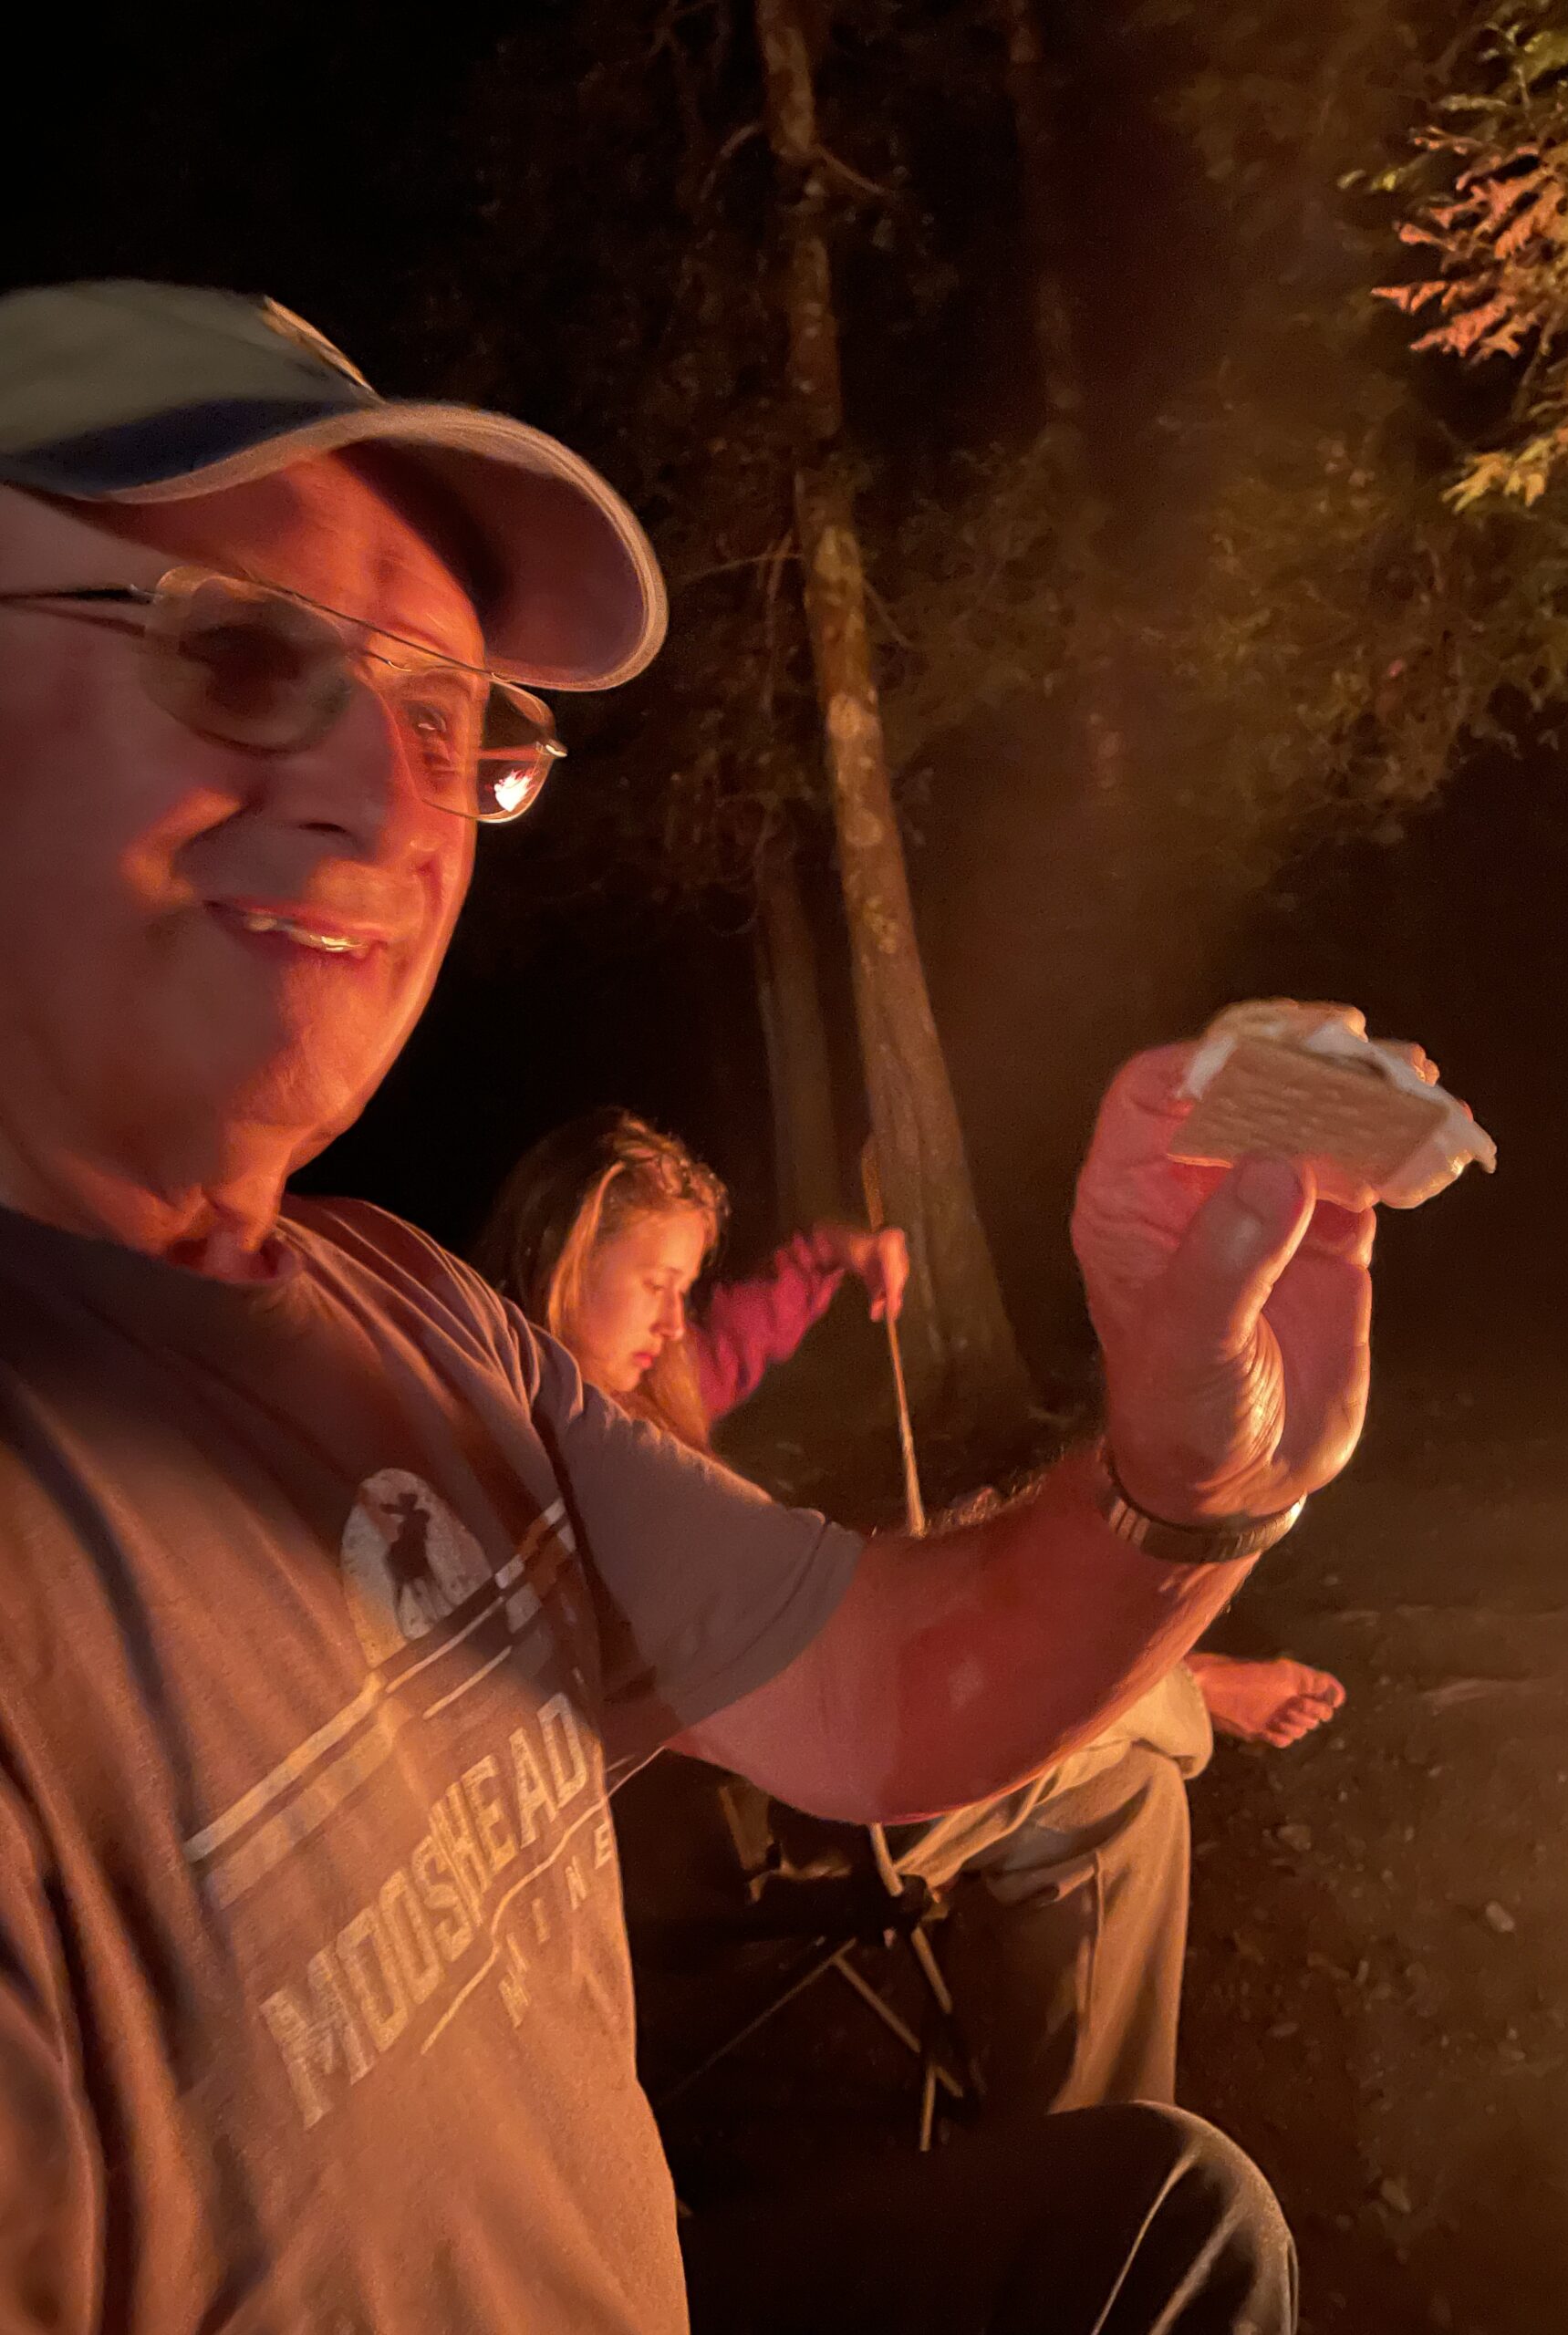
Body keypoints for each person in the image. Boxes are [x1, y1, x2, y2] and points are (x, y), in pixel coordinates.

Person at [0, 277, 1405, 2334]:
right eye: (230, 649)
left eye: (443, 715)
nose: (394, 804)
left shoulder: (410, 1309)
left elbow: (878, 1683)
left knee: (1164, 2219)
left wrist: (1191, 1472)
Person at [483, 1107, 1345, 2113]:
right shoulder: (553, 1461)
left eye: (686, 1286)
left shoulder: (613, 1394)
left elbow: (721, 1351)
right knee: (1076, 1728)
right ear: (563, 1261)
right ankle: (1188, 1687)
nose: (679, 1319)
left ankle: (1088, 2166)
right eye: (658, 1287)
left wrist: (825, 1258)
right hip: (745, 1826)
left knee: (1126, 1795)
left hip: (772, 1757)